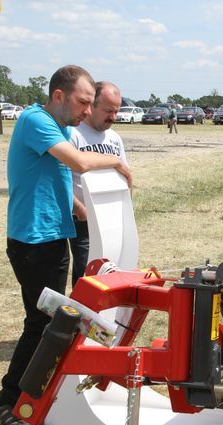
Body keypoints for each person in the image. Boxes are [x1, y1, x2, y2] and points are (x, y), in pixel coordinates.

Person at [0, 65, 132, 425]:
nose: (87, 112)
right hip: (33, 241)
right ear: (59, 95)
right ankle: (11, 401)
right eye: (83, 102)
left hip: (54, 237)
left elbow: (57, 179)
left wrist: (82, 209)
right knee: (42, 322)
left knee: (55, 320)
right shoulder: (34, 120)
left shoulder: (60, 128)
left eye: (91, 104)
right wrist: (116, 161)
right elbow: (78, 163)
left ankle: (42, 391)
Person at [68, 81, 127, 288]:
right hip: (83, 219)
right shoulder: (73, 134)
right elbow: (63, 177)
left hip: (112, 218)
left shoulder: (114, 138)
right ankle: (80, 318)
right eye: (108, 110)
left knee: (113, 268)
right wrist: (80, 209)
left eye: (116, 111)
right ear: (91, 105)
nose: (113, 116)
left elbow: (124, 176)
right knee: (88, 273)